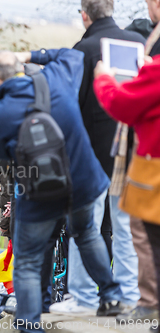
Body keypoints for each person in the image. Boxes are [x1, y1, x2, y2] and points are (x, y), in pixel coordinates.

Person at [0, 49, 122, 332]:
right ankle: (111, 295)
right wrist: (31, 54)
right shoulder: (57, 78)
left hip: (39, 193)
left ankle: (30, 326)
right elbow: (71, 55)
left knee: (29, 262)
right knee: (86, 234)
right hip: (83, 181)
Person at [49, 0, 144, 316]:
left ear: (84, 15)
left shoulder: (84, 48)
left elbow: (69, 105)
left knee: (85, 228)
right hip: (132, 150)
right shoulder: (138, 43)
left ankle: (85, 296)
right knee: (126, 228)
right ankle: (129, 294)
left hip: (91, 156)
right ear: (113, 10)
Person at [93, 32, 160, 329]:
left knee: (146, 239)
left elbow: (121, 104)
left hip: (152, 169)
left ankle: (150, 305)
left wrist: (104, 78)